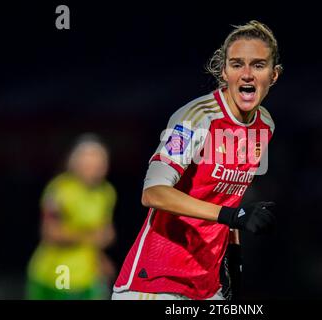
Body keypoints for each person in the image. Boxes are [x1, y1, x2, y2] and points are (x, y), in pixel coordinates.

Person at [112, 20, 283, 300]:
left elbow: (229, 201)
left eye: (259, 65)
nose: (247, 74)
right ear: (224, 71)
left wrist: (234, 262)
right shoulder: (196, 117)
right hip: (156, 282)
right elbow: (153, 192)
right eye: (237, 64)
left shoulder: (265, 126)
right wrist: (231, 216)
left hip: (206, 286)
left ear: (274, 75)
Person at [26, 134, 117, 300]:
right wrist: (90, 237)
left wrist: (101, 257)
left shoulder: (106, 192)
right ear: (74, 162)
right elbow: (50, 232)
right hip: (56, 273)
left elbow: (105, 233)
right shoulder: (60, 189)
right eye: (88, 162)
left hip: (88, 276)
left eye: (98, 162)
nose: (93, 167)